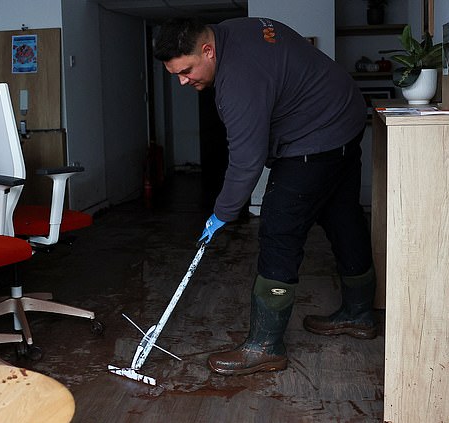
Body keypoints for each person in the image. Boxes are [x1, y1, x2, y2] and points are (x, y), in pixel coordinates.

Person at [153, 17, 376, 376]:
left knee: (278, 231)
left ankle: (265, 346)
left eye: (187, 70)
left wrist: (221, 213)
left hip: (316, 137)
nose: (182, 80)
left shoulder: (238, 80)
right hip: (345, 119)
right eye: (175, 74)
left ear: (207, 50)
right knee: (342, 215)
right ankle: (360, 314)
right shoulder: (235, 31)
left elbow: (246, 160)